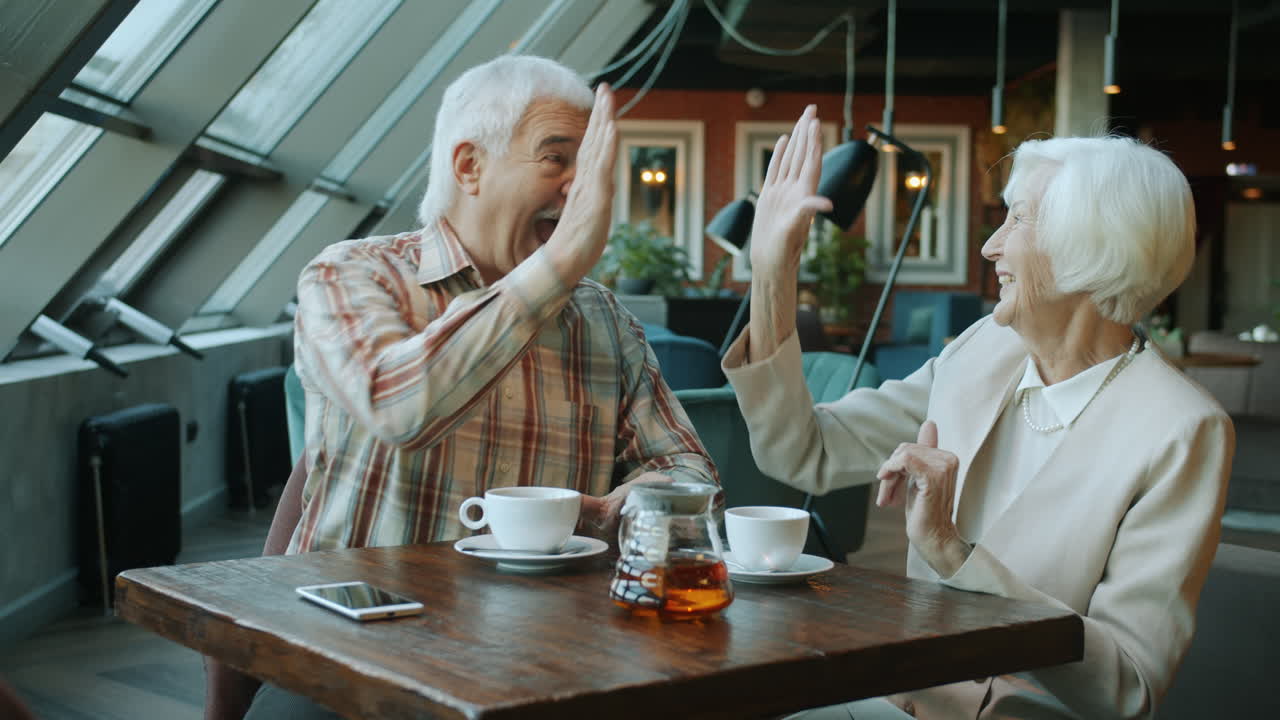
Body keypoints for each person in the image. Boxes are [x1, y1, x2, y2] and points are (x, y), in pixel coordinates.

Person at [204, 55, 717, 720]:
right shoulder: (352, 276)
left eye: (591, 166)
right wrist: (558, 266)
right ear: (469, 167)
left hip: (544, 662)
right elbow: (399, 405)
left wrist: (624, 507)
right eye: (557, 159)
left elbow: (690, 472)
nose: (581, 188)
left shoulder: (603, 320)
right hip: (348, 659)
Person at [726, 106, 1232, 720]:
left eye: (1017, 219)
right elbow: (804, 450)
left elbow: (1126, 690)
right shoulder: (984, 351)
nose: (991, 246)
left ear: (1089, 245)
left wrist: (951, 552)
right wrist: (772, 272)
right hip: (901, 695)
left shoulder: (1181, 430)